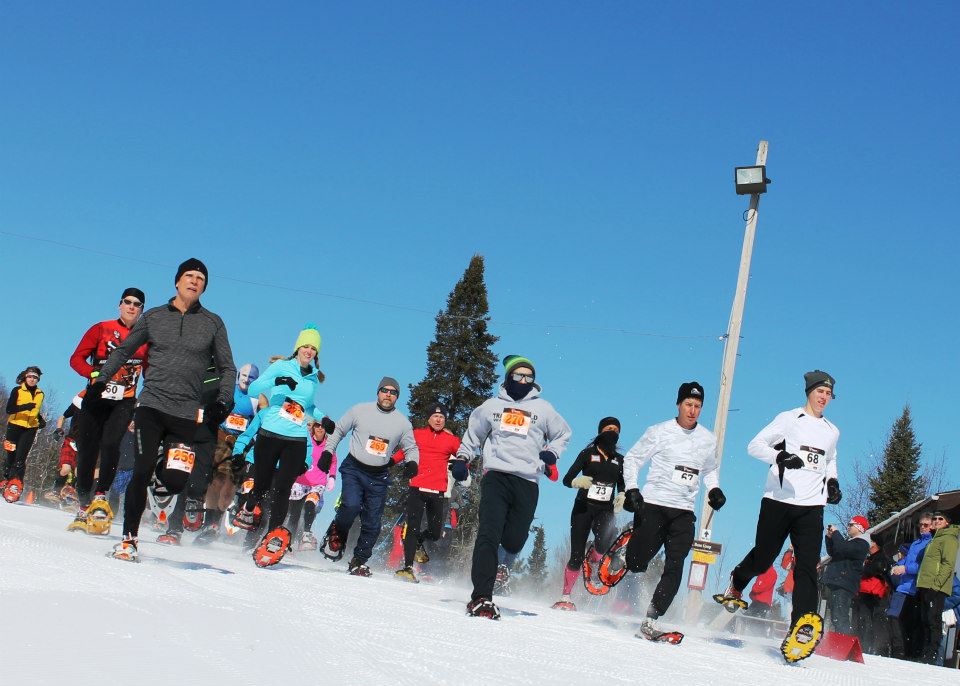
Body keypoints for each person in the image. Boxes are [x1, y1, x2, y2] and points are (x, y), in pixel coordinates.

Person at [90, 258, 236, 561]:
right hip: (152, 406)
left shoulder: (213, 323)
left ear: (204, 286)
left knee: (175, 481)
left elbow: (228, 368)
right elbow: (124, 350)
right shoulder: (154, 317)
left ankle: (162, 468)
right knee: (140, 471)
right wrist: (100, 382)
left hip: (185, 414)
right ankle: (129, 538)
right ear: (177, 281)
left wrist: (224, 401)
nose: (194, 281)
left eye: (200, 278)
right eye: (189, 276)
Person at [717, 370, 841, 661]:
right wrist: (780, 456)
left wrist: (833, 482)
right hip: (779, 500)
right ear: (809, 392)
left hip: (812, 506)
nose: (824, 397)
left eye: (829, 394)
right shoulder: (788, 419)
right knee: (764, 557)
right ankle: (738, 580)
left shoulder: (832, 431)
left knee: (808, 566)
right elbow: (754, 445)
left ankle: (801, 625)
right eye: (820, 392)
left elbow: (830, 459)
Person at [602, 382, 725, 641]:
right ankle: (628, 551)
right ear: (678, 404)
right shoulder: (659, 431)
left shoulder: (707, 439)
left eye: (698, 406)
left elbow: (710, 469)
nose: (693, 411)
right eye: (689, 405)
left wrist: (713, 488)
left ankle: (651, 617)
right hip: (655, 505)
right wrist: (633, 489)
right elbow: (633, 459)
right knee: (637, 563)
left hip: (684, 511)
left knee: (675, 564)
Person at [454, 355, 571, 619]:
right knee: (488, 533)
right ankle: (481, 597)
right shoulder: (491, 406)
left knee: (514, 540)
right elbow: (472, 435)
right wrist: (463, 458)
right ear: (508, 378)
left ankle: (502, 560)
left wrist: (552, 452)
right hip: (496, 476)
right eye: (518, 376)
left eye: (529, 377)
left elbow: (563, 434)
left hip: (528, 481)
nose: (523, 381)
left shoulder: (543, 409)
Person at [233, 325, 328, 567]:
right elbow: (253, 390)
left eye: (313, 348)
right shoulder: (280, 367)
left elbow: (307, 406)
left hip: (295, 439)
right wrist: (277, 379)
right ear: (298, 347)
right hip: (270, 433)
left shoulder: (313, 378)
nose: (309, 351)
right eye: (306, 346)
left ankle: (272, 534)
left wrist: (322, 417)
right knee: (262, 484)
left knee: (284, 489)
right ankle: (249, 507)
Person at [68, 288, 149, 534]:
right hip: (96, 396)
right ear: (119, 305)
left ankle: (101, 496)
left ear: (142, 309)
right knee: (88, 449)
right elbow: (76, 359)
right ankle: (83, 505)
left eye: (137, 304)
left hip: (124, 400)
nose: (132, 307)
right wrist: (93, 374)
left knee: (111, 443)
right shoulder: (101, 328)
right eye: (127, 302)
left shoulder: (146, 337)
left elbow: (151, 371)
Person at [320, 377, 419, 577]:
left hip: (379, 475)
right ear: (378, 392)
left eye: (393, 392)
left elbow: (411, 447)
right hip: (354, 468)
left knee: (373, 521)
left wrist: (412, 462)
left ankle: (359, 560)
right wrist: (328, 452)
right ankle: (337, 531)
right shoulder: (360, 410)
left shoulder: (402, 423)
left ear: (397, 397)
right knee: (351, 505)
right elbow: (339, 430)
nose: (388, 395)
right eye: (385, 390)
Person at [551, 416, 624, 610]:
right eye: (608, 429)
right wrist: (577, 482)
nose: (612, 433)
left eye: (616, 430)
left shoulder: (620, 460)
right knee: (575, 555)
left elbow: (623, 485)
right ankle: (565, 597)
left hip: (605, 510)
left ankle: (593, 558)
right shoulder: (587, 453)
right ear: (600, 432)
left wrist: (622, 495)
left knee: (604, 542)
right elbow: (567, 479)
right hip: (583, 508)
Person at [394, 403, 463, 583]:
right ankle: (408, 567)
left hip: (438, 491)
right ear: (429, 418)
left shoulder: (451, 440)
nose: (439, 420)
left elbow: (464, 456)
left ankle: (419, 542)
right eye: (435, 416)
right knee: (412, 527)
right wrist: (389, 463)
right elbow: (404, 452)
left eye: (442, 417)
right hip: (417, 487)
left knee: (435, 533)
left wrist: (461, 465)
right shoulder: (417, 434)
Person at [286, 411, 337, 550]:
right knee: (294, 514)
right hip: (301, 481)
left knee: (310, 506)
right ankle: (289, 543)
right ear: (313, 427)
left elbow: (333, 461)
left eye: (323, 426)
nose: (320, 428)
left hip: (318, 483)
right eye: (317, 426)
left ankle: (307, 535)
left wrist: (332, 477)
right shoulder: (305, 440)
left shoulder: (329, 445)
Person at [916, 511, 959, 663]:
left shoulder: (949, 538)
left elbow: (948, 565)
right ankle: (925, 653)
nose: (937, 520)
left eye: (941, 518)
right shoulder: (935, 539)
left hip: (936, 588)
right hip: (925, 585)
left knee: (933, 620)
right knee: (925, 619)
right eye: (934, 518)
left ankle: (932, 655)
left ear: (947, 522)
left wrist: (936, 585)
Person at [890, 513, 935, 659]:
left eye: (926, 525)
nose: (922, 528)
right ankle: (899, 651)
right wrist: (898, 565)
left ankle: (907, 653)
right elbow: (908, 560)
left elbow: (924, 566)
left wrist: (905, 569)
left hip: (916, 588)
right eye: (921, 525)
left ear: (932, 526)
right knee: (897, 619)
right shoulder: (915, 543)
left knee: (911, 623)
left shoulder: (931, 543)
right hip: (904, 586)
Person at [2, 366, 46, 503]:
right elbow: (10, 409)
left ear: (38, 379)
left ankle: (16, 485)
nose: (32, 379)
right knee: (11, 456)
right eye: (30, 376)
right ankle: (7, 481)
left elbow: (34, 410)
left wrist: (40, 420)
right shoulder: (18, 390)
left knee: (21, 459)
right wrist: (25, 406)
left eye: (35, 377)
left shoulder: (40, 394)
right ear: (25, 377)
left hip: (30, 429)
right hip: (14, 426)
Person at [822, 516, 871, 635]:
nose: (848, 527)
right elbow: (834, 552)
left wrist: (836, 533)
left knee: (840, 616)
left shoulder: (862, 543)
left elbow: (842, 548)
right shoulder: (852, 542)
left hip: (845, 584)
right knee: (835, 615)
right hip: (838, 581)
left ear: (859, 527)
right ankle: (839, 642)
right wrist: (829, 537)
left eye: (851, 525)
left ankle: (845, 643)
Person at [854, 539, 891, 655]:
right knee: (863, 620)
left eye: (871, 541)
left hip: (874, 593)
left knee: (871, 622)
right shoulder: (870, 557)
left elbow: (873, 570)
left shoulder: (881, 557)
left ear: (875, 543)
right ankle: (864, 646)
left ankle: (872, 648)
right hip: (865, 592)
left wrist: (861, 569)